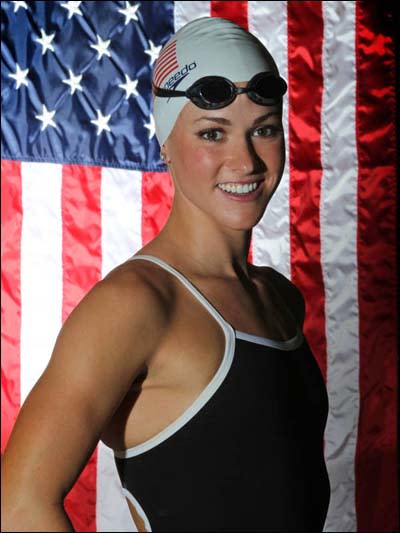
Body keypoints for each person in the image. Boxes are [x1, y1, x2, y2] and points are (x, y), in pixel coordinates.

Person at [1, 16, 331, 532]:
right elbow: (19, 505)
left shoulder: (280, 298)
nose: (243, 160)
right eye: (212, 134)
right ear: (164, 146)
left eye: (263, 129)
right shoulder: (138, 303)